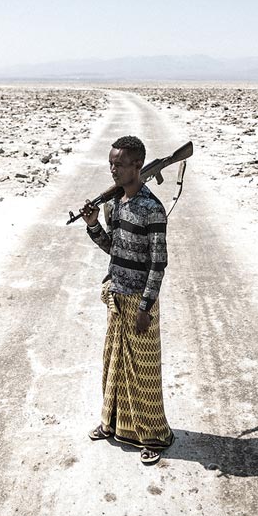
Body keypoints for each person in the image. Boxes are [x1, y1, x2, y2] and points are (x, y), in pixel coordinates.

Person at [80, 135, 174, 465]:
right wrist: (93, 226)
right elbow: (114, 249)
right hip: (117, 296)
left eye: (119, 164)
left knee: (143, 375)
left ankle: (154, 437)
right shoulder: (113, 204)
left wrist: (146, 307)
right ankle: (113, 424)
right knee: (114, 366)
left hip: (140, 302)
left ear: (138, 166)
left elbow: (157, 263)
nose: (113, 170)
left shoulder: (153, 209)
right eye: (110, 164)